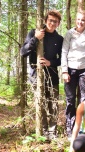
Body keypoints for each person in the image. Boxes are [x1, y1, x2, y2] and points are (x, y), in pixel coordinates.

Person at [20, 10, 63, 140]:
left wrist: (51, 62)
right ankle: (44, 132)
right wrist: (36, 39)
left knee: (53, 105)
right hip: (36, 76)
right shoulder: (34, 33)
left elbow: (63, 59)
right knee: (41, 105)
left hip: (53, 76)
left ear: (58, 23)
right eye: (50, 20)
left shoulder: (59, 39)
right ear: (45, 20)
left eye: (55, 21)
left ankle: (52, 132)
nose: (52, 23)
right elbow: (23, 52)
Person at [61, 10, 85, 139]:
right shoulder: (69, 34)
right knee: (70, 101)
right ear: (76, 20)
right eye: (78, 19)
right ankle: (70, 130)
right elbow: (64, 52)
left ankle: (81, 128)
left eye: (83, 20)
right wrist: (64, 71)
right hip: (70, 70)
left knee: (83, 100)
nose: (80, 22)